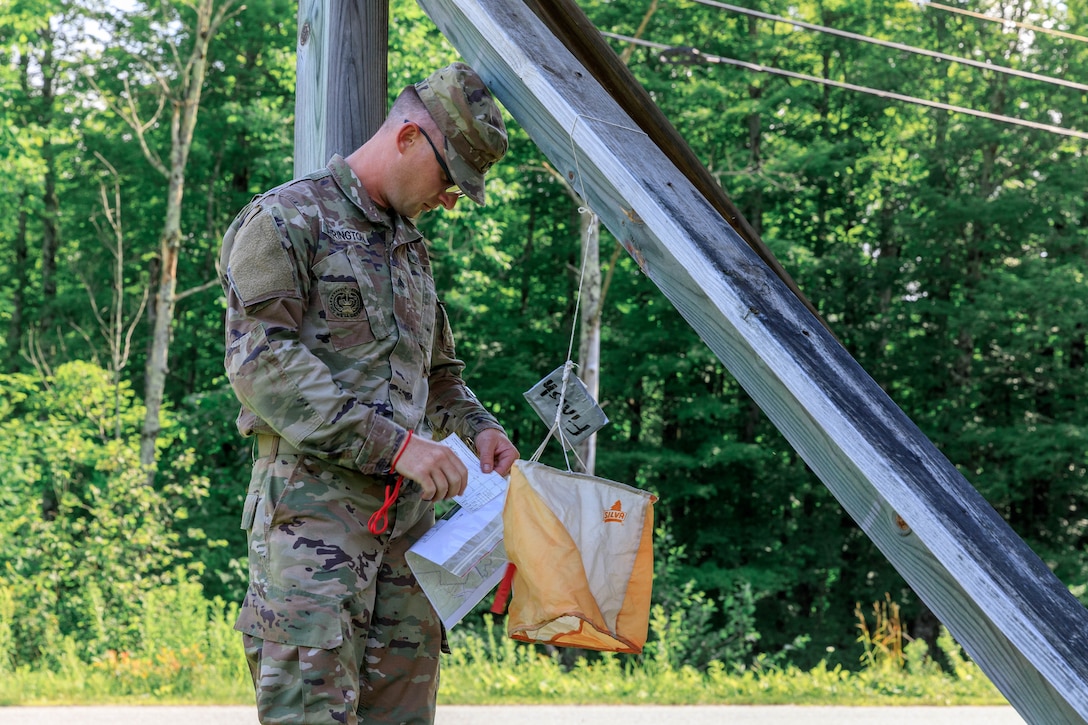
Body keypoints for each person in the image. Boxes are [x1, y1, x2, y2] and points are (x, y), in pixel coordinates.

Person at [218, 61, 519, 725]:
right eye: (450, 179)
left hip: (407, 544)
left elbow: (440, 373)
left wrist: (479, 430)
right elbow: (262, 365)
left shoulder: (412, 251)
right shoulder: (286, 221)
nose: (449, 200)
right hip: (311, 531)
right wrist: (397, 446)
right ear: (409, 137)